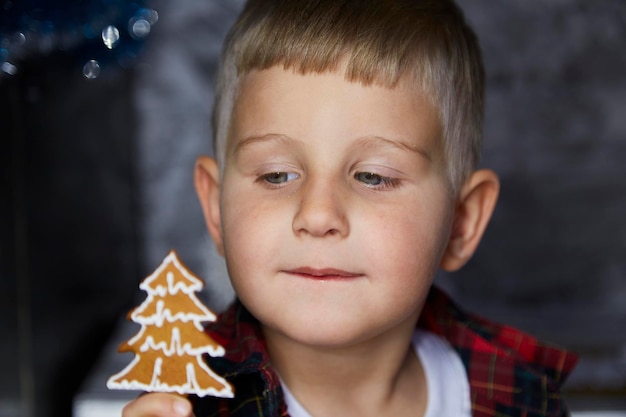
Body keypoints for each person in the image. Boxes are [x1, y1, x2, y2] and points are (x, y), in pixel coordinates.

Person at [122, 0, 577, 416]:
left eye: (373, 176)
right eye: (276, 175)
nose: (318, 216)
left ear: (461, 222)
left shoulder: (521, 397)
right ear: (217, 208)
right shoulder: (186, 406)